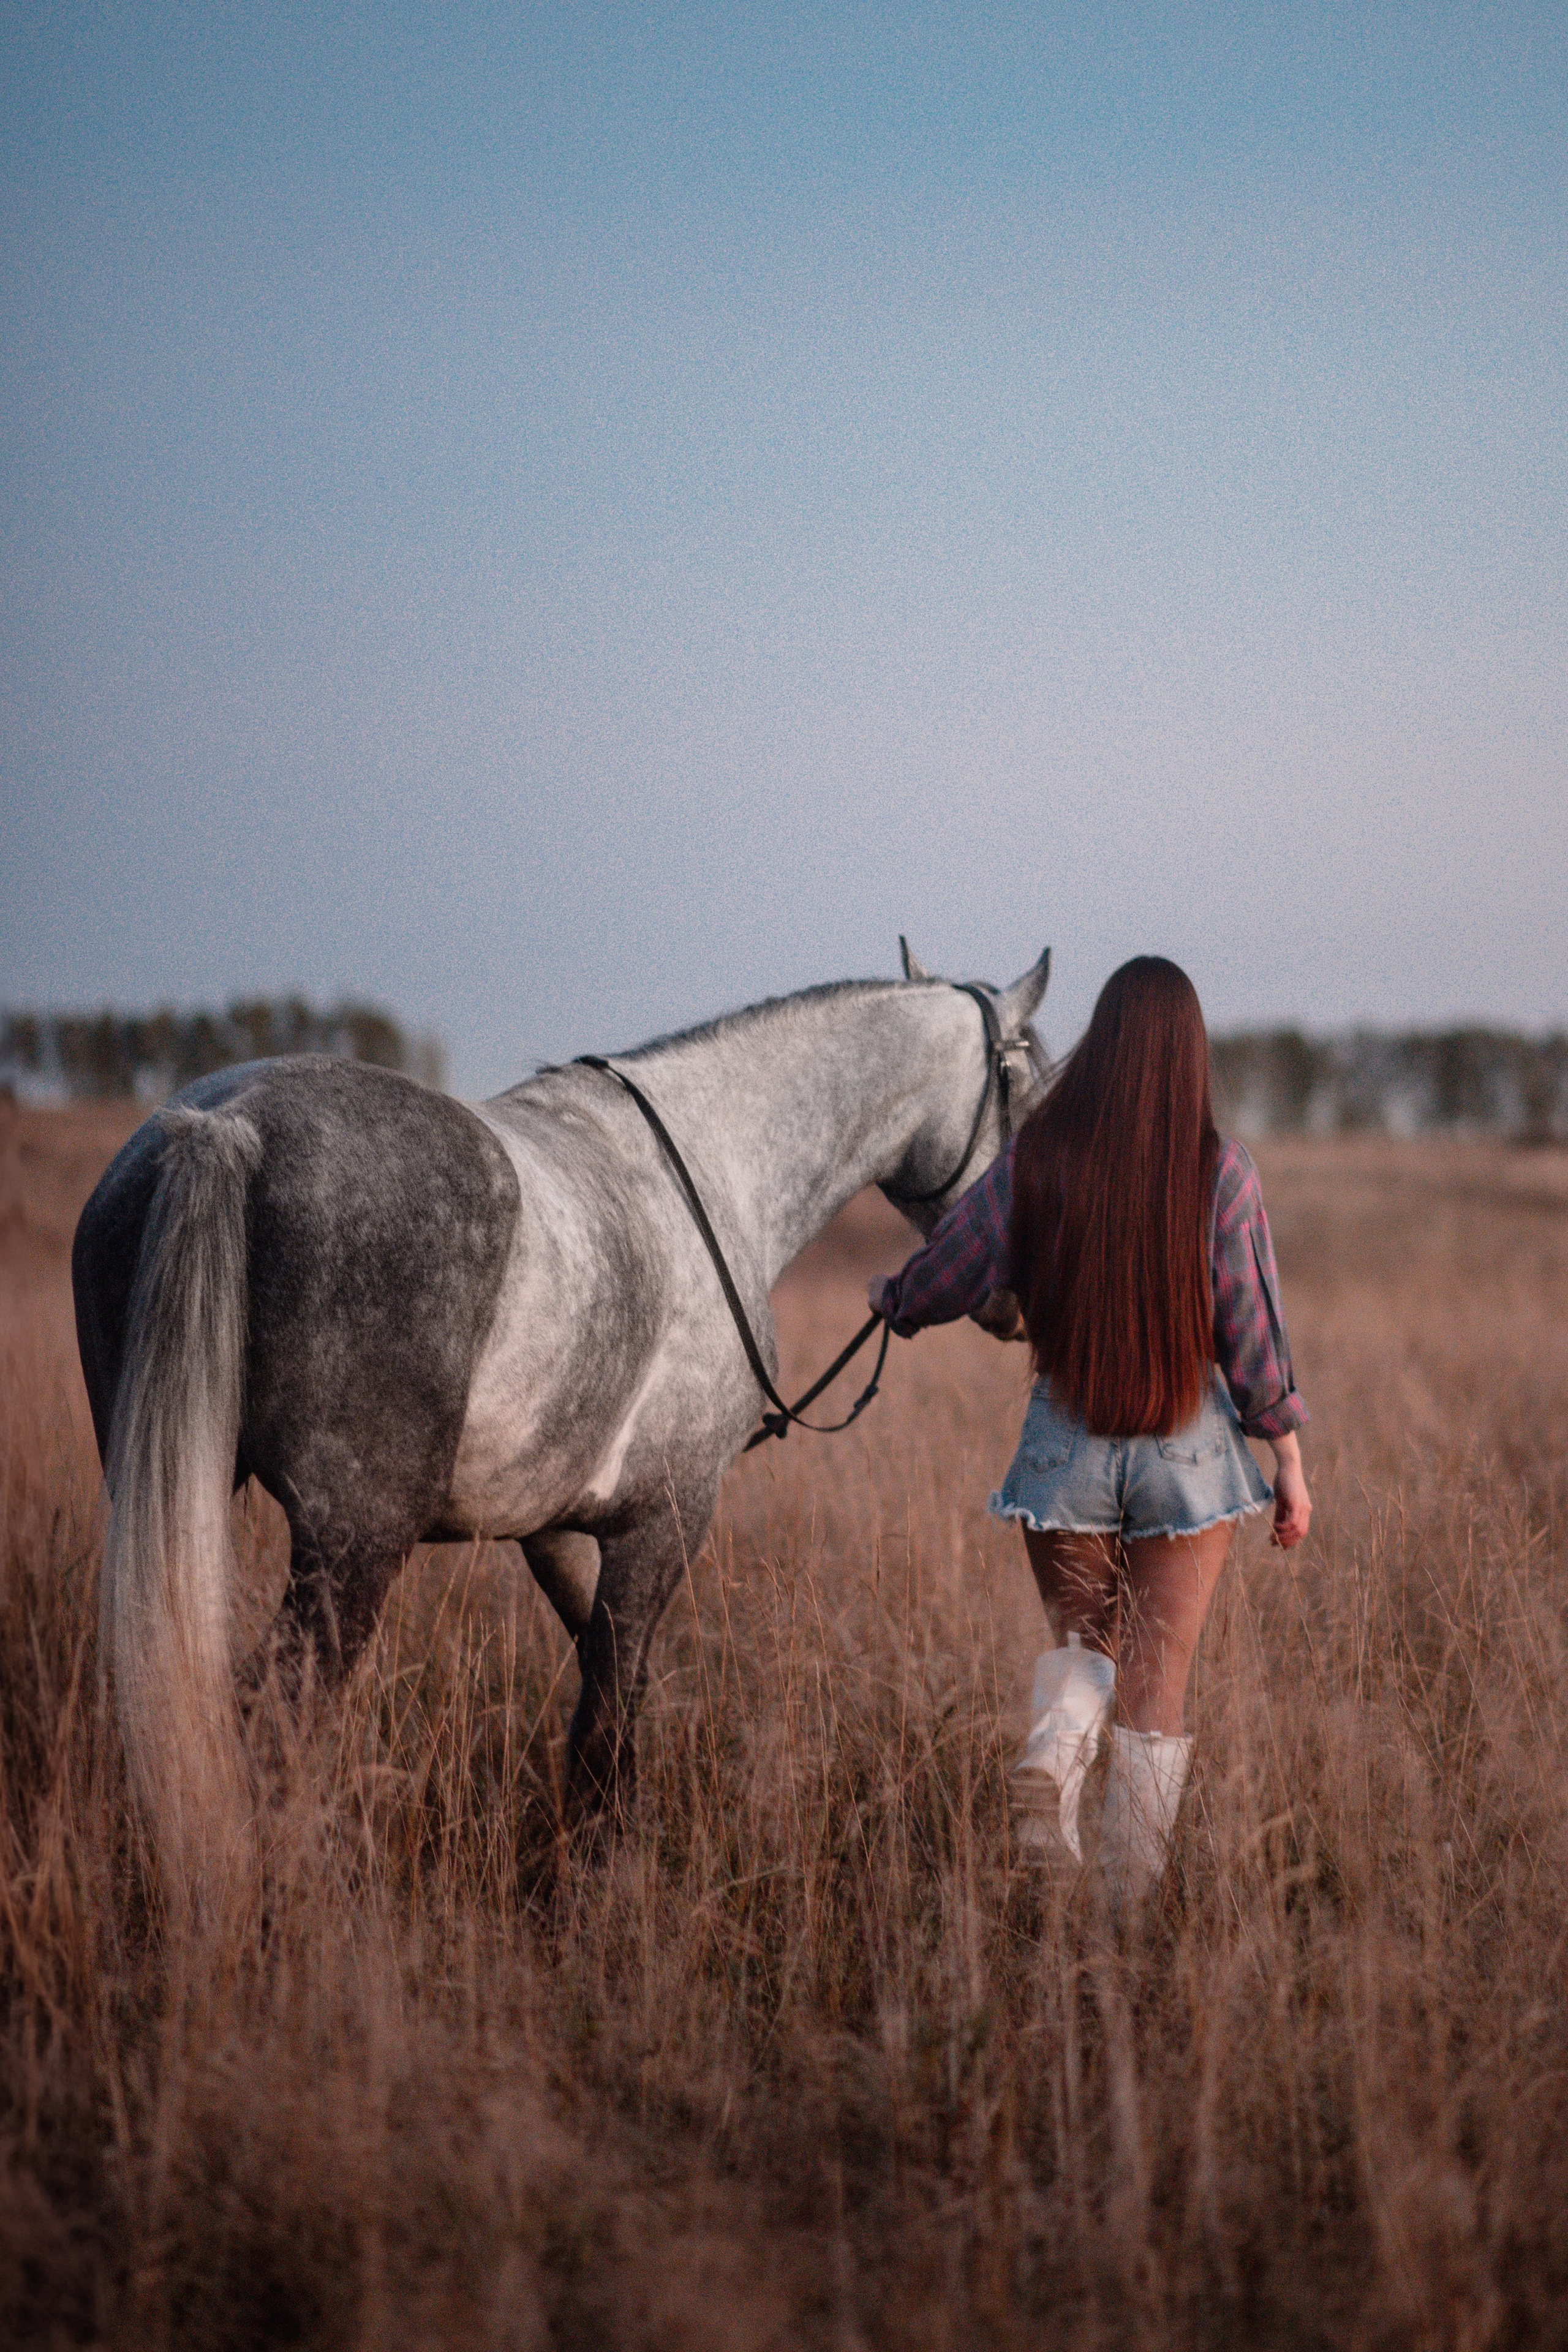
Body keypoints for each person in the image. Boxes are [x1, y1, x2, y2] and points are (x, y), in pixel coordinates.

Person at [870, 956, 1310, 1907]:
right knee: (1158, 1685)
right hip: (1189, 1453)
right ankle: (1125, 1907)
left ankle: (1057, 1748)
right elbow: (1254, 1335)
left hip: (1064, 1444)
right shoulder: (1223, 1172)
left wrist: (894, 1299)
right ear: (1189, 1054)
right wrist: (1287, 1457)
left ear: (1100, 1045)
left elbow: (951, 1268)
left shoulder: (1039, 1159)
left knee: (1084, 1646)